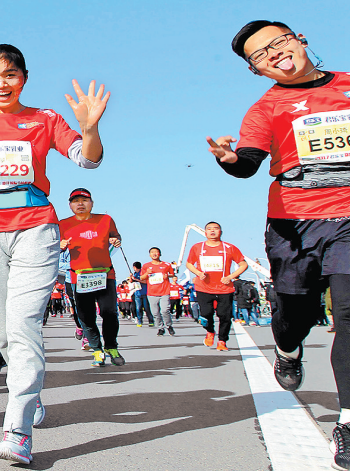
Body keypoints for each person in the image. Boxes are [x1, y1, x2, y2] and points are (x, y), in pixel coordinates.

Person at [0, 43, 109, 464]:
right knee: (1, 327)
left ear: (23, 77)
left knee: (25, 322)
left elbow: (89, 160)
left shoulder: (44, 119)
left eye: (9, 74)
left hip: (35, 228)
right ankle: (26, 390)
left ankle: (18, 426)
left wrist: (91, 128)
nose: (1, 83)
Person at [208, 21, 350, 467]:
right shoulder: (265, 108)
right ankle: (287, 348)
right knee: (296, 312)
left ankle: (346, 421)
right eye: (259, 55)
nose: (274, 53)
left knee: (348, 311)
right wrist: (231, 160)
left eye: (279, 42)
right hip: (294, 226)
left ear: (301, 39)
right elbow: (249, 162)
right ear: (256, 70)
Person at [59, 188, 125, 367]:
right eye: (75, 201)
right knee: (86, 317)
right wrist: (61, 245)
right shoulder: (63, 224)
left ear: (92, 203)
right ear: (70, 205)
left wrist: (115, 240)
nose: (80, 204)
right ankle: (97, 349)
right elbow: (55, 246)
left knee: (109, 313)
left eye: (84, 200)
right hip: (79, 277)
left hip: (105, 274)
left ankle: (111, 346)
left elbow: (115, 236)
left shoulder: (105, 219)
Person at [185, 222, 248, 351]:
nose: (212, 231)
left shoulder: (229, 248)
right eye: (209, 229)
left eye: (216, 229)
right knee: (205, 314)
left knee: (224, 316)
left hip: (225, 288)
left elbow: (243, 265)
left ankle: (222, 341)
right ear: (205, 232)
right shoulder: (198, 247)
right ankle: (210, 331)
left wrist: (230, 277)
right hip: (204, 287)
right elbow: (189, 263)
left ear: (221, 232)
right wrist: (198, 273)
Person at [141, 248, 175, 336]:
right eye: (152, 252)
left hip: (164, 291)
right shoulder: (146, 266)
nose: (154, 254)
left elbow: (172, 274)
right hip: (152, 293)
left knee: (165, 310)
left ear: (160, 254)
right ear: (149, 255)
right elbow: (142, 278)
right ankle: (160, 328)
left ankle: (169, 326)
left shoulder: (166, 265)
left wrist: (167, 275)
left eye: (156, 252)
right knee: (155, 313)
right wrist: (147, 273)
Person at [129, 262, 154, 327]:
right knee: (138, 308)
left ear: (134, 267)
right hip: (137, 293)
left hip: (144, 292)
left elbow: (146, 281)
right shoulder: (135, 273)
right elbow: (132, 281)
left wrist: (137, 279)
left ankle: (151, 320)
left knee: (146, 308)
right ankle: (140, 321)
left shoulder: (143, 272)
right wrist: (131, 277)